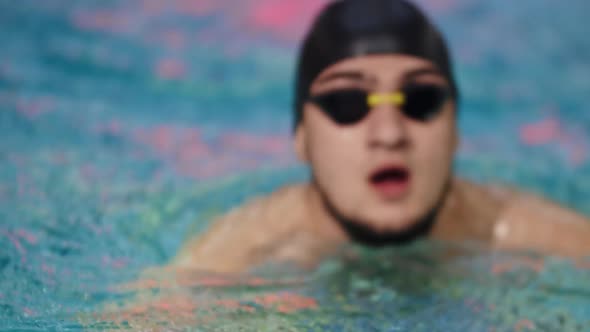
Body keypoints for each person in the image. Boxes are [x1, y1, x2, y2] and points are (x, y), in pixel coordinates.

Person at [166, 0, 590, 275]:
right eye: (348, 102)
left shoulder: (516, 230)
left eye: (420, 99)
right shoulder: (237, 255)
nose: (389, 134)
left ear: (456, 127)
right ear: (300, 136)